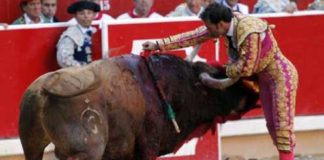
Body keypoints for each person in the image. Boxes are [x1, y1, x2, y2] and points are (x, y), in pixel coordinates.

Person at [142, 3, 298, 160]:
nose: (208, 32)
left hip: (280, 76)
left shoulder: (249, 30)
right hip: (263, 79)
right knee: (272, 125)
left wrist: (224, 70)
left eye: (210, 28)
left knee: (282, 127)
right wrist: (158, 44)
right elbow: (194, 36)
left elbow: (247, 67)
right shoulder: (227, 23)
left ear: (221, 24)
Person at [56, 1, 100, 68]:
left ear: (94, 15)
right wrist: (84, 68)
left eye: (89, 13)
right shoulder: (71, 34)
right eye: (82, 13)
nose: (86, 16)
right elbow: (64, 59)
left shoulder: (97, 32)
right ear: (75, 16)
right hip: (78, 75)